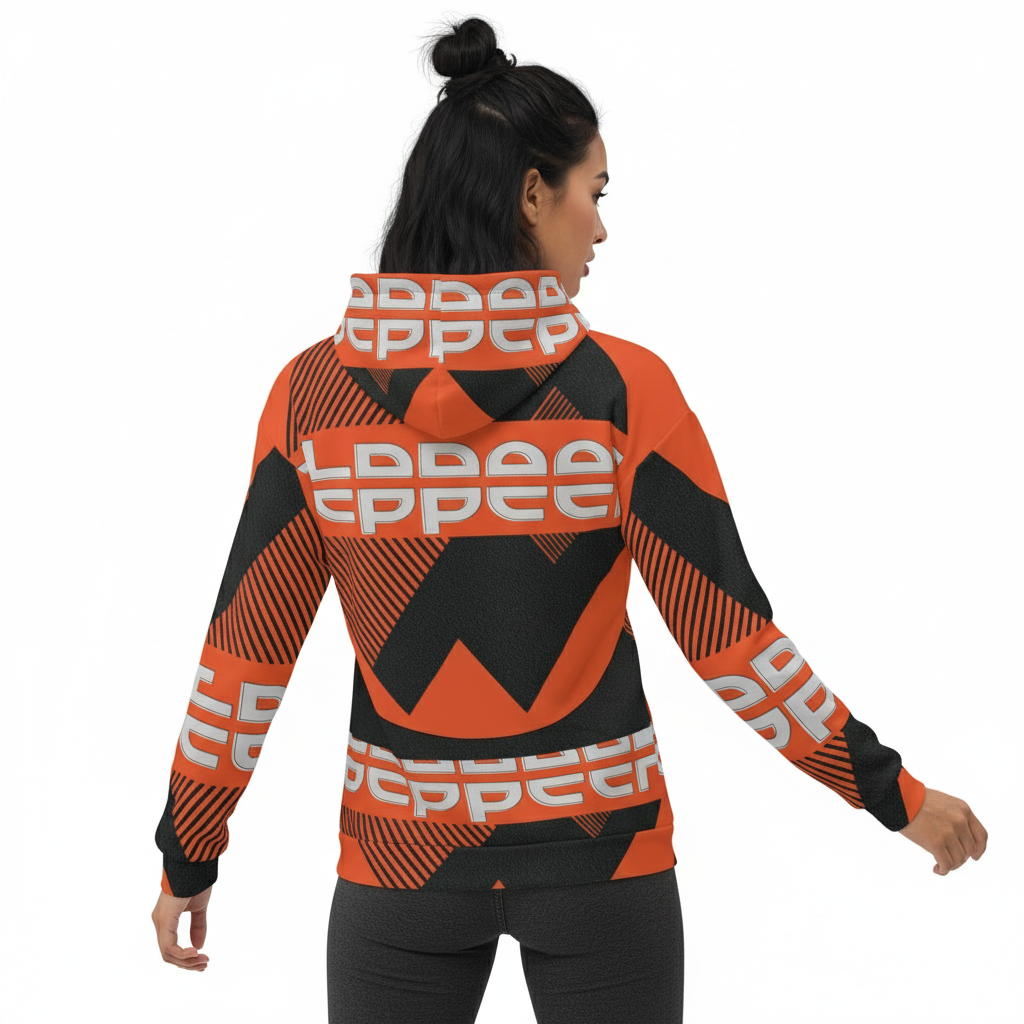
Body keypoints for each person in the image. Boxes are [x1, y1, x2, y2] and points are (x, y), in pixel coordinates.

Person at [151, 16, 987, 1023]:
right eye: (595, 192)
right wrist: (894, 795)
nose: (601, 229)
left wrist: (188, 850)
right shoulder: (620, 392)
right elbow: (732, 642)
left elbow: (244, 656)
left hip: (400, 864)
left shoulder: (313, 398)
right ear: (532, 194)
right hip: (602, 861)